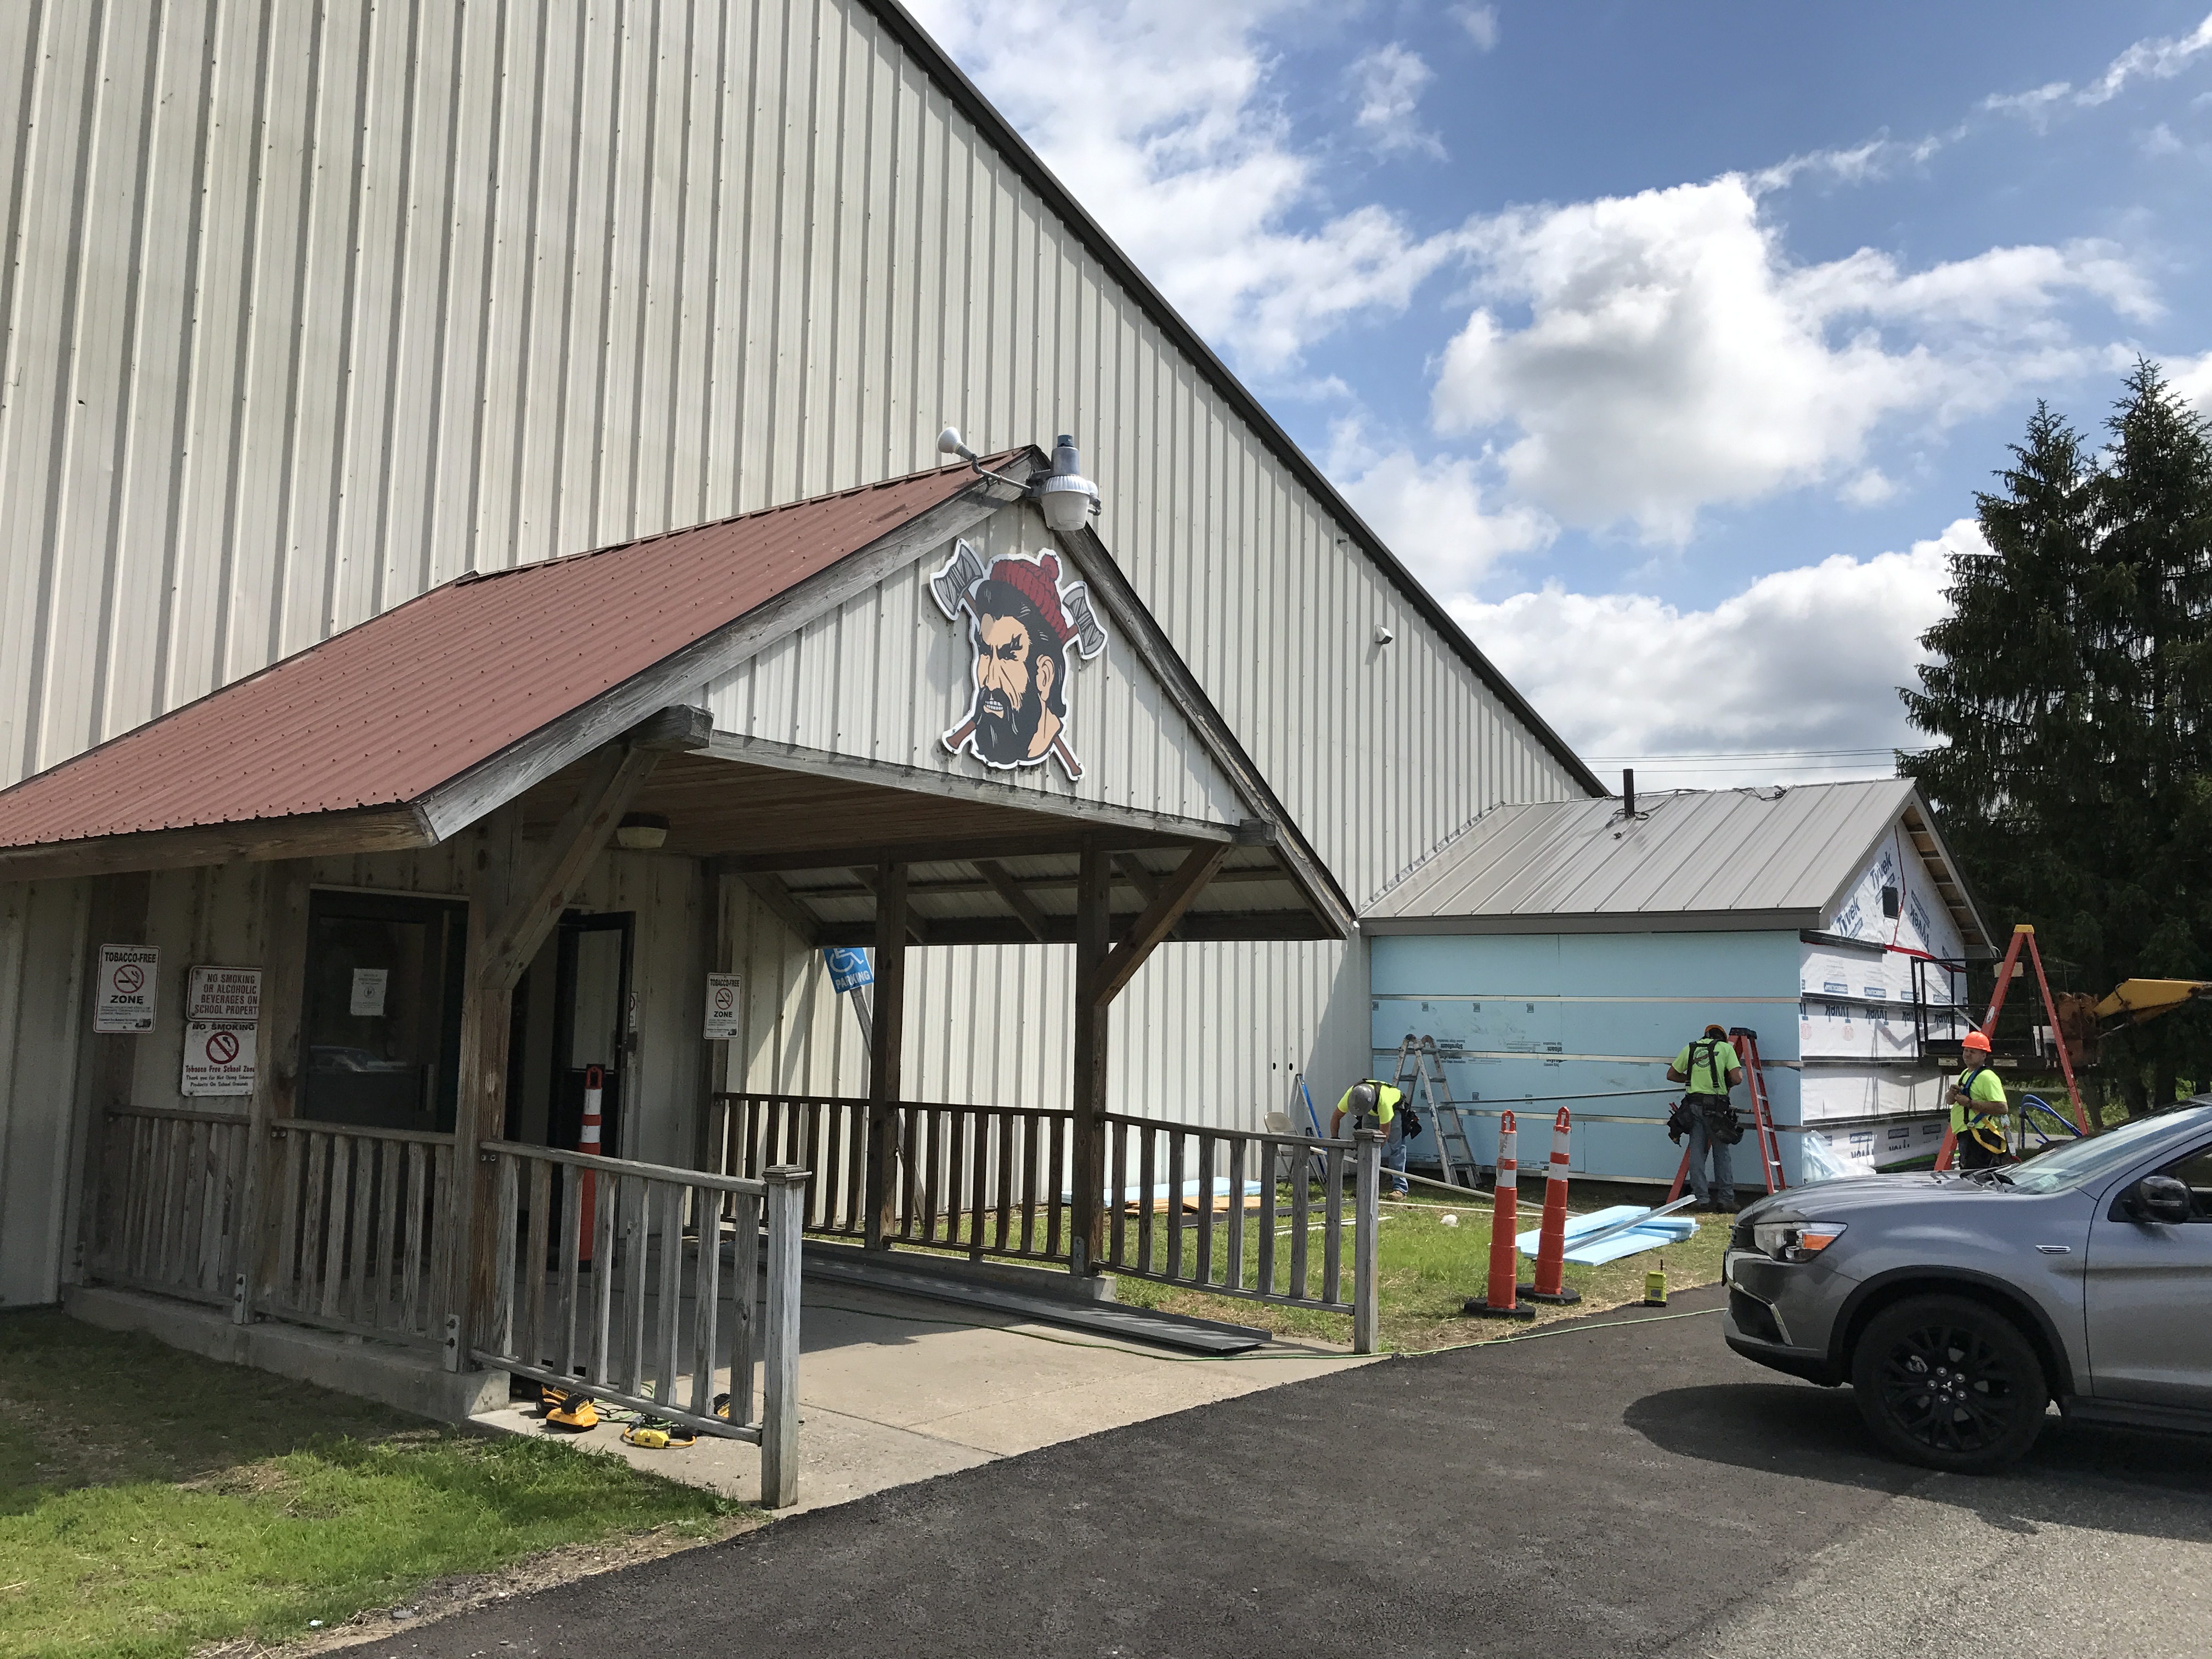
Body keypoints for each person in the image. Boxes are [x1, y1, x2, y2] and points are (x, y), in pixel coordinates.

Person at [1667, 1023, 1744, 1212]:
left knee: (1697, 1153)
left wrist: (1691, 1080)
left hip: (1693, 1105)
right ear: (1722, 1038)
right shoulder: (1726, 1048)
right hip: (1716, 1107)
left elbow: (1671, 1075)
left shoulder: (1691, 1048)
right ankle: (1725, 1200)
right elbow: (1737, 1078)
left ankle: (1701, 1199)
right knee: (1721, 1153)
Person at [1330, 1077, 1410, 1197]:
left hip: (1394, 1109)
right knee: (1365, 1145)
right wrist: (1335, 1139)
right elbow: (1336, 1117)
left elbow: (1385, 1134)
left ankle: (1400, 1188)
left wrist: (1374, 1151)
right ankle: (1365, 1185)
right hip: (1371, 1111)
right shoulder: (1351, 1095)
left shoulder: (1384, 1102)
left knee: (1396, 1147)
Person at [1949, 1030, 2011, 1170]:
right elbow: (1950, 1102)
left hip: (1979, 1136)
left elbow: (2002, 1108)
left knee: (1978, 1178)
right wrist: (1951, 1094)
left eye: (1973, 1051)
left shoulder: (1987, 1077)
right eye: (1966, 1050)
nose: (1968, 1054)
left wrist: (1970, 1104)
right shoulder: (1966, 1073)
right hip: (1969, 1135)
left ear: (1984, 1055)